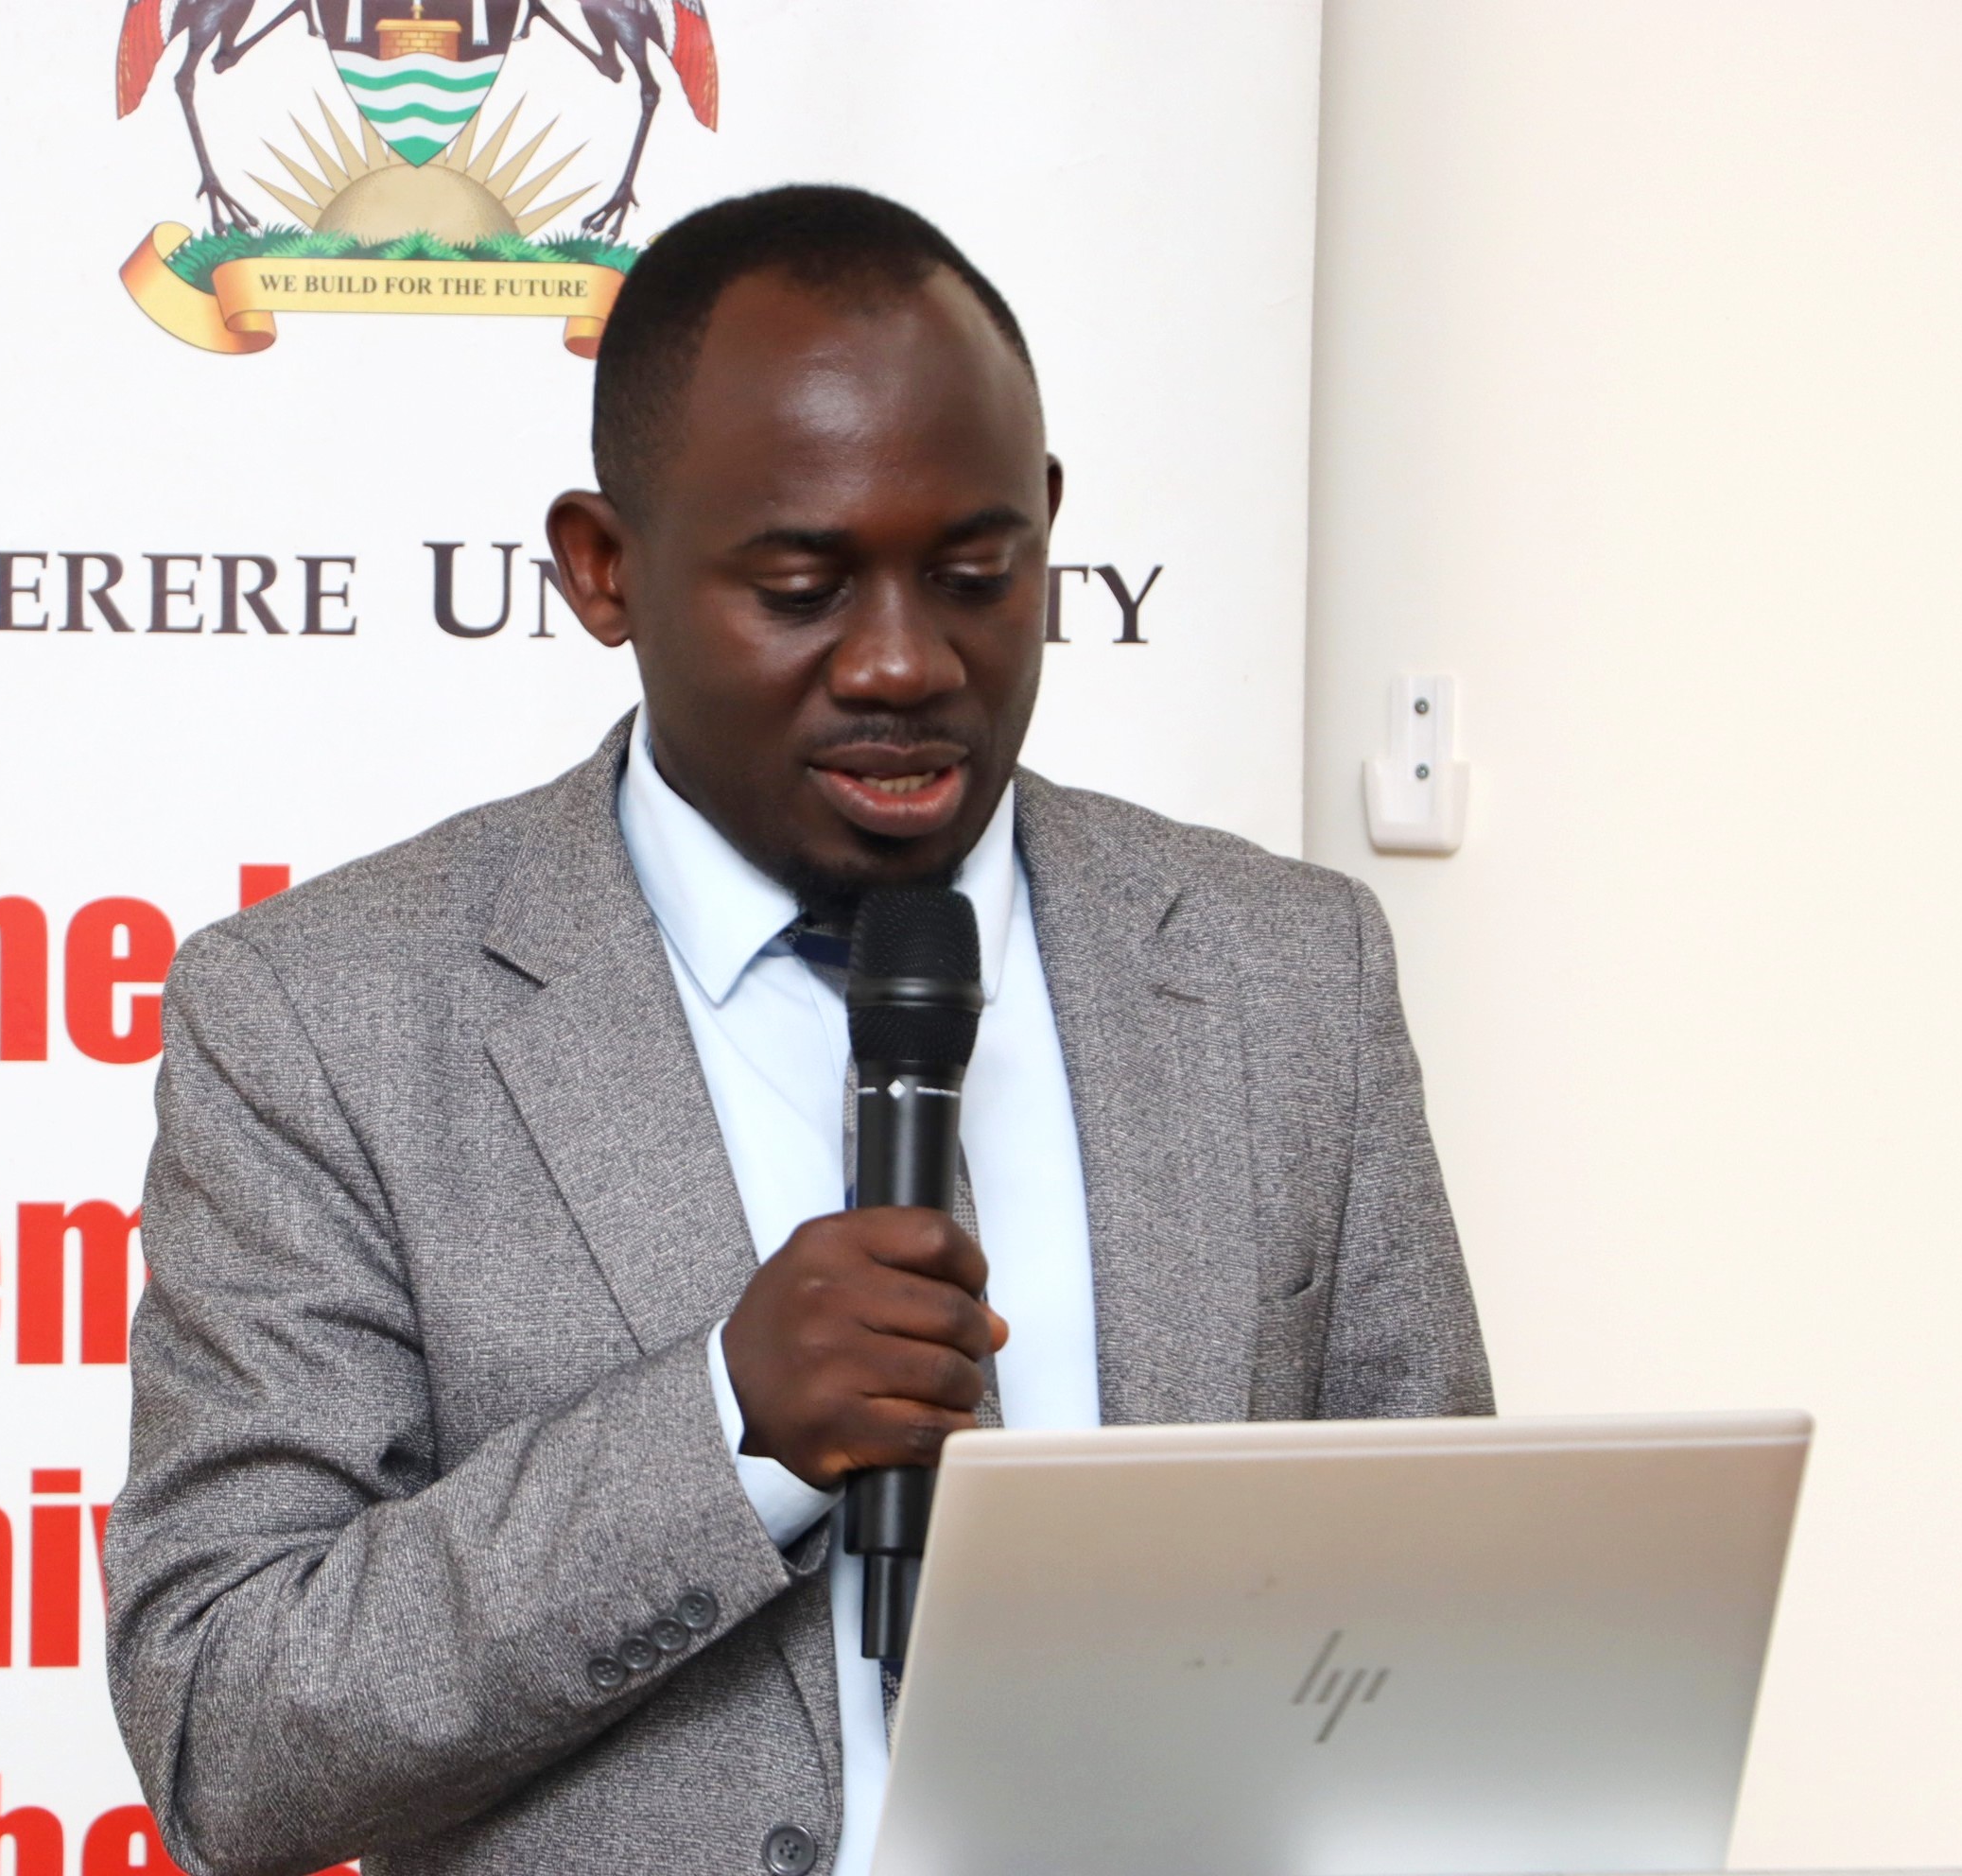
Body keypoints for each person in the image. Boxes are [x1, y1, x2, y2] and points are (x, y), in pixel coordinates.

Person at [104, 184, 1491, 1876]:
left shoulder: (1288, 976)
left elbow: (1440, 1618)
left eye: (977, 573)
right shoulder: (327, 1015)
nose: (907, 664)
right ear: (604, 572)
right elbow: (226, 1732)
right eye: (805, 585)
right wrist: (725, 1432)